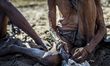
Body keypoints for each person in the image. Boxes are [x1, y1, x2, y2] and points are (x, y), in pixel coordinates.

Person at [0, 0, 106, 66]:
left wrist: (88, 48)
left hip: (88, 36)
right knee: (50, 60)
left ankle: (90, 51)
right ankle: (15, 48)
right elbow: (52, 27)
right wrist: (59, 41)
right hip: (66, 35)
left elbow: (102, 29)